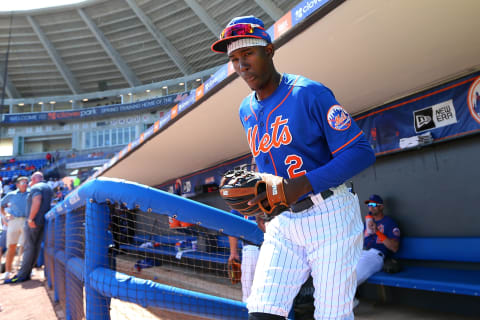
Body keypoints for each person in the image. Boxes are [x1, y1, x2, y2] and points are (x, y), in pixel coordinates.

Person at [211, 16, 376, 319]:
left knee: (331, 315)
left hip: (330, 214)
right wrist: (262, 205)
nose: (241, 65)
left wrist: (299, 185)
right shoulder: (246, 109)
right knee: (261, 311)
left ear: (269, 51)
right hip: (284, 222)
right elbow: (265, 165)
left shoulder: (308, 92)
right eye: (234, 59)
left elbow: (361, 153)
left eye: (247, 54)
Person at [5, 171, 53, 283]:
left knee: (29, 247)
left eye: (31, 180)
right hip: (42, 222)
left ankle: (22, 275)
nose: (29, 182)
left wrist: (31, 218)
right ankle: (27, 273)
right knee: (35, 248)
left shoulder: (36, 187)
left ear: (36, 179)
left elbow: (37, 200)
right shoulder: (48, 187)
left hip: (33, 221)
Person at [356, 194, 400, 286]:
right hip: (362, 253)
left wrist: (377, 231)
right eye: (369, 205)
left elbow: (394, 247)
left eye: (374, 205)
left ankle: (346, 299)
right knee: (340, 272)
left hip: (376, 256)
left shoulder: (389, 222)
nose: (370, 208)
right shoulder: (367, 223)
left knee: (353, 278)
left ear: (381, 207)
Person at [0, 176, 29, 281]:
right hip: (14, 221)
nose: (25, 184)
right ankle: (8, 271)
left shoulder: (30, 194)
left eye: (26, 182)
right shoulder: (11, 194)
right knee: (11, 246)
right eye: (22, 182)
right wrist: (6, 215)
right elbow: (1, 205)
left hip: (26, 221)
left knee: (25, 247)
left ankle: (25, 270)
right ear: (17, 185)